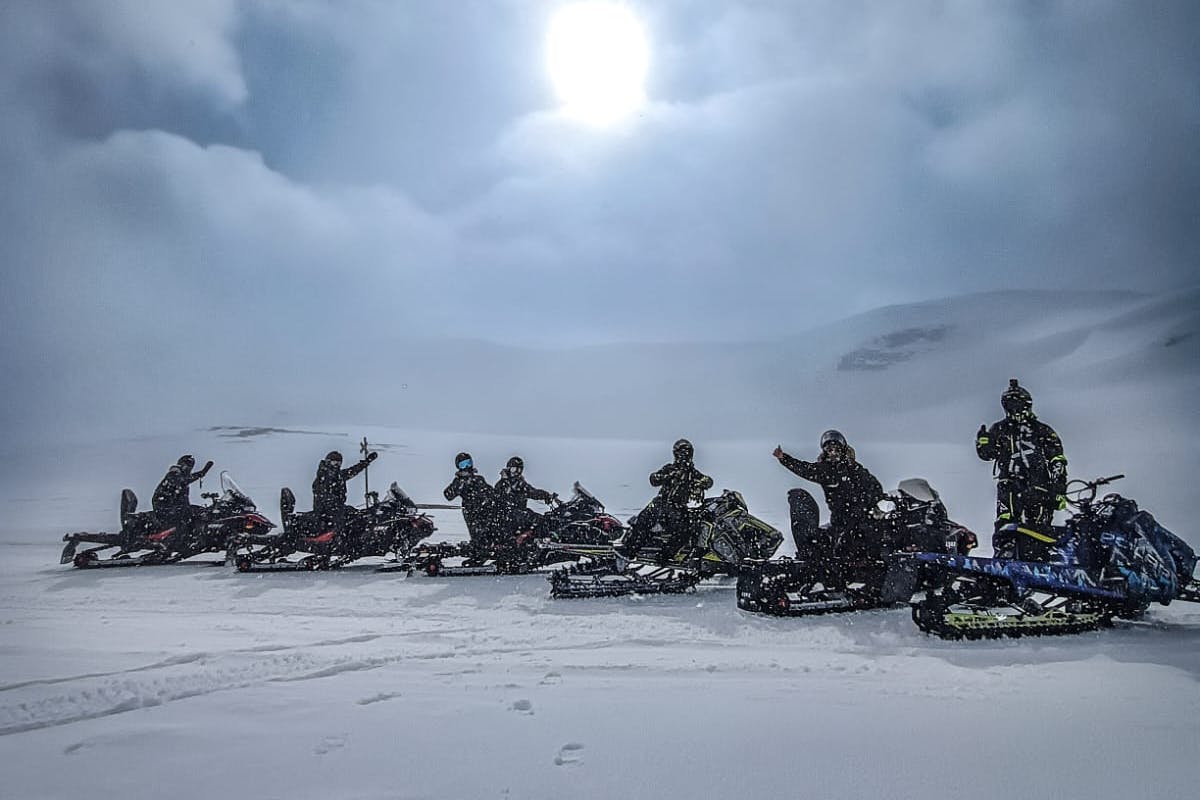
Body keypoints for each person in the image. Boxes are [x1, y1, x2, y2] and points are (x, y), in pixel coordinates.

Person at [976, 379, 1067, 560]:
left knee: (1039, 528)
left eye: (1018, 405)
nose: (1015, 409)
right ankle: (1005, 554)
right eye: (1011, 405)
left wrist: (1059, 490)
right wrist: (983, 443)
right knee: (1005, 522)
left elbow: (1057, 460)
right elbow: (988, 454)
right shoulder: (999, 429)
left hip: (1039, 486)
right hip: (1009, 484)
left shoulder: (1042, 430)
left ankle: (1040, 556)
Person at [773, 430, 885, 563]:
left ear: (842, 450)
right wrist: (784, 458)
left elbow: (874, 486)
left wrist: (875, 502)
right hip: (839, 520)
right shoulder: (825, 470)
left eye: (836, 449)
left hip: (861, 517)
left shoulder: (854, 469)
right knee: (824, 542)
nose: (833, 453)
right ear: (825, 451)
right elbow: (805, 469)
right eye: (829, 449)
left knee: (870, 534)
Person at [626, 439, 713, 560]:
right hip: (660, 503)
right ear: (676, 453)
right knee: (643, 521)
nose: (684, 455)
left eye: (686, 452)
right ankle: (630, 550)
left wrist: (701, 483)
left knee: (685, 530)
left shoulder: (692, 473)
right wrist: (668, 476)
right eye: (681, 452)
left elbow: (708, 481)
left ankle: (665, 555)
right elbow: (653, 479)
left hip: (678, 508)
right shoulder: (670, 468)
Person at [443, 452, 508, 553]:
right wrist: (460, 484)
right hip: (471, 512)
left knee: (497, 526)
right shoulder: (458, 481)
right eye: (463, 465)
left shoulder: (478, 479)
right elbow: (448, 495)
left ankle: (496, 544)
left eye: (468, 463)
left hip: (487, 510)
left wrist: (503, 482)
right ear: (458, 467)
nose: (466, 467)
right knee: (479, 535)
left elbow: (492, 493)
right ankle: (481, 546)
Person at [312, 449, 377, 533]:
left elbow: (353, 470)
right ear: (328, 462)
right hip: (325, 514)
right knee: (349, 521)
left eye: (339, 463)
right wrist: (337, 506)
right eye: (334, 462)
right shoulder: (322, 478)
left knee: (359, 516)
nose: (337, 465)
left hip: (338, 509)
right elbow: (323, 497)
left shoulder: (339, 475)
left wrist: (367, 461)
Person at [151, 454, 213, 536]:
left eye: (190, 467)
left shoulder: (182, 480)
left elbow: (184, 499)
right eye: (187, 466)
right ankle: (183, 536)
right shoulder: (173, 475)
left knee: (199, 510)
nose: (189, 469)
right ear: (181, 465)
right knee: (187, 515)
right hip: (164, 508)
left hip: (174, 508)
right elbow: (182, 481)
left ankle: (198, 534)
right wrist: (201, 473)